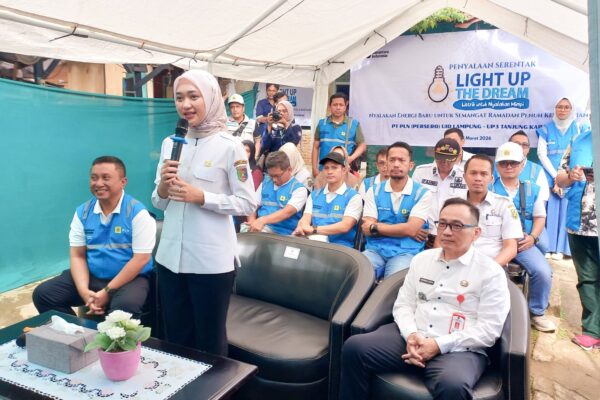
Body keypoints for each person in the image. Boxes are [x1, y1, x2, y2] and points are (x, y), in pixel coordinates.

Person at [340, 198, 510, 400]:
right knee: (354, 348)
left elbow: (490, 329)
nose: (447, 232)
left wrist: (438, 345)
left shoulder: (490, 272)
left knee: (453, 385)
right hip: (412, 336)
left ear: (476, 232)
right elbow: (404, 305)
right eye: (443, 224)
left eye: (457, 226)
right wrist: (411, 334)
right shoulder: (422, 260)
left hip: (459, 348)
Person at [152, 70, 258, 356]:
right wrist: (163, 188)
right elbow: (158, 203)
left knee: (209, 342)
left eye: (193, 96)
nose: (185, 105)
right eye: (179, 98)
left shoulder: (230, 147)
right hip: (169, 259)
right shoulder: (170, 143)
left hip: (211, 264)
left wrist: (202, 197)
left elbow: (247, 203)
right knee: (175, 338)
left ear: (210, 98)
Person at [33, 156, 156, 319]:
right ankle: (77, 332)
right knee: (44, 294)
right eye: (94, 178)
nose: (98, 183)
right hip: (93, 275)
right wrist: (84, 292)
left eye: (106, 178)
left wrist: (107, 291)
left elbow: (141, 259)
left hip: (130, 279)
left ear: (123, 182)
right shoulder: (83, 212)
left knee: (124, 308)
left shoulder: (137, 213)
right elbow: (77, 255)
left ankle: (115, 337)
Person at [491, 142, 555, 332]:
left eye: (513, 162)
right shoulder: (488, 188)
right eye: (503, 163)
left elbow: (540, 217)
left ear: (522, 164)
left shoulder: (532, 189)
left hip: (522, 243)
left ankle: (536, 313)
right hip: (494, 242)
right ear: (497, 166)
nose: (508, 166)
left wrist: (533, 237)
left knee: (543, 272)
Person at [556, 125, 600, 350]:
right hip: (580, 222)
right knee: (587, 278)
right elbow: (560, 179)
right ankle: (592, 331)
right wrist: (571, 177)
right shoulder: (578, 140)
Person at [361, 142, 431, 279]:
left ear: (411, 165)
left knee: (393, 281)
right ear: (386, 164)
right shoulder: (374, 191)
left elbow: (411, 230)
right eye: (392, 160)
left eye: (401, 160)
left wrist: (375, 227)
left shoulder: (422, 193)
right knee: (358, 272)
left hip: (406, 252)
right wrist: (404, 229)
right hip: (375, 250)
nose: (396, 164)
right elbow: (366, 229)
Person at [537, 97, 586, 259]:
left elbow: (581, 153)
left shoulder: (578, 128)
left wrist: (567, 176)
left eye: (566, 107)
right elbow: (541, 154)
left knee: (567, 211)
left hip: (572, 176)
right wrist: (555, 178)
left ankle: (562, 249)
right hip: (550, 176)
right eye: (559, 106)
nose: (562, 110)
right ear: (555, 109)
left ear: (571, 109)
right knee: (549, 212)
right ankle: (549, 248)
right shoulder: (546, 129)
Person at [458, 154, 522, 266]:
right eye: (473, 173)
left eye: (484, 174)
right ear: (464, 176)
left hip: (493, 266)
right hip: (458, 265)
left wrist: (489, 269)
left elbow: (511, 248)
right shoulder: (454, 205)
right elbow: (441, 241)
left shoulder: (504, 205)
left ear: (491, 179)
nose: (478, 178)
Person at [294, 152, 362, 247]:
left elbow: (345, 226)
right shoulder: (314, 195)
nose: (329, 171)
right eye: (326, 168)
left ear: (344, 170)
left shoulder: (353, 197)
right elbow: (305, 218)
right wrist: (302, 226)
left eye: (334, 167)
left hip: (340, 248)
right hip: (314, 244)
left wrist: (314, 229)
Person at [412, 138, 468, 247]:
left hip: (452, 235)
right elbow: (411, 201)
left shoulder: (464, 176)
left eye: (449, 160)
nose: (445, 163)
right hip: (423, 234)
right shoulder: (421, 172)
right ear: (434, 154)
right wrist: (413, 227)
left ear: (458, 157)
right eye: (441, 159)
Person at [247, 151, 308, 235]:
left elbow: (286, 212)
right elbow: (252, 205)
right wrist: (252, 220)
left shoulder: (299, 189)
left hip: (283, 233)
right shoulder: (265, 183)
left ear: (289, 170)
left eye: (277, 176)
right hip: (260, 228)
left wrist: (262, 220)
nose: (274, 180)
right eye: (271, 176)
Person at [312, 93, 367, 177]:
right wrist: (314, 168)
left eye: (341, 105)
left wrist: (351, 158)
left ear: (345, 106)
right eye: (335, 105)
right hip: (323, 170)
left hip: (343, 171)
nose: (338, 107)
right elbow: (315, 147)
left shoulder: (353, 124)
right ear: (329, 106)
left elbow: (362, 145)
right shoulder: (322, 123)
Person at [506, 130, 550, 203]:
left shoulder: (537, 170)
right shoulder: (497, 167)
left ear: (528, 149)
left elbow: (542, 199)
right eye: (517, 144)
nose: (520, 148)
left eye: (524, 145)